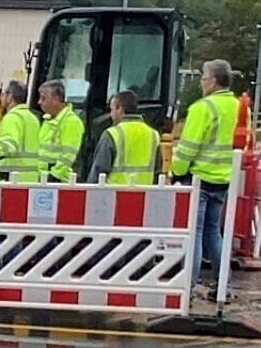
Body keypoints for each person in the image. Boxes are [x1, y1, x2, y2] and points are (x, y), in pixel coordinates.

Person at [171, 59, 239, 284]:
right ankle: (222, 285)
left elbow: (188, 147)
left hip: (200, 178)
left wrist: (176, 172)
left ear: (213, 82)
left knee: (195, 234)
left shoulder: (202, 108)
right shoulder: (239, 108)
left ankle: (188, 286)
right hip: (224, 179)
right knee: (213, 232)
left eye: (203, 78)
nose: (201, 83)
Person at [88, 90, 162, 184]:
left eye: (112, 110)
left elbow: (98, 171)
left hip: (113, 195)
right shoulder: (153, 135)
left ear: (120, 109)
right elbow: (158, 171)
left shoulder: (112, 134)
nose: (111, 115)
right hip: (143, 195)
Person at [37, 79, 85, 183]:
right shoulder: (48, 120)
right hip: (43, 179)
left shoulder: (71, 121)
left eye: (43, 98)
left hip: (57, 182)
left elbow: (68, 155)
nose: (39, 102)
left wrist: (54, 177)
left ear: (56, 98)